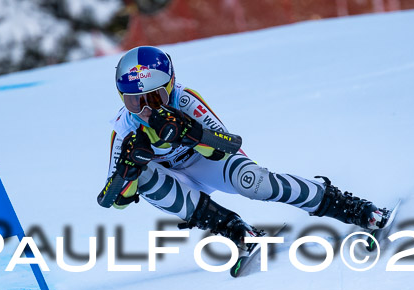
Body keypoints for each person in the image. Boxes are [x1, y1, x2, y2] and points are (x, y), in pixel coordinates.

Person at [101, 46, 390, 246]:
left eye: (155, 98)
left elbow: (228, 145)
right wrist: (128, 173)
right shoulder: (125, 127)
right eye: (133, 101)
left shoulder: (185, 100)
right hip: (177, 181)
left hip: (206, 162)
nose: (146, 110)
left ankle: (345, 205)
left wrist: (189, 132)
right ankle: (232, 227)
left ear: (171, 85)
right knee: (141, 176)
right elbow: (115, 200)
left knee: (254, 183)